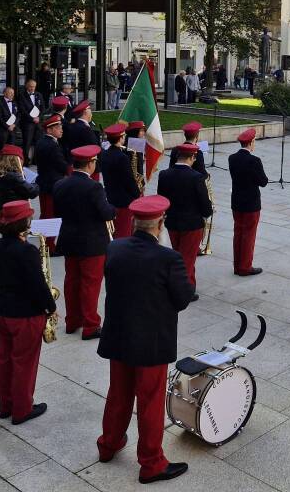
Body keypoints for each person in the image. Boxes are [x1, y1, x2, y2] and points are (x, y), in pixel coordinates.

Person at [97, 195, 193, 484]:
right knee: (149, 402)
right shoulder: (169, 258)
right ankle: (151, 464)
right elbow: (183, 297)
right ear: (160, 224)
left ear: (136, 222)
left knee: (118, 394)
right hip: (150, 342)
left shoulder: (115, 247)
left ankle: (108, 445)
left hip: (119, 337)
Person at [0, 200, 57, 424]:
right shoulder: (27, 251)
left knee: (5, 359)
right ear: (24, 224)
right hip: (25, 314)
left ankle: (6, 405)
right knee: (24, 363)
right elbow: (38, 285)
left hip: (2, 310)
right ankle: (22, 409)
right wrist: (51, 307)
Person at [54, 145, 115, 339]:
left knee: (71, 281)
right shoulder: (94, 187)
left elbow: (58, 212)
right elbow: (106, 213)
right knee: (90, 284)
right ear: (89, 164)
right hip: (92, 242)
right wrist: (112, 207)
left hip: (69, 239)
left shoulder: (61, 184)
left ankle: (72, 321)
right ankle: (90, 325)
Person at [156, 143, 212, 298]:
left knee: (178, 254)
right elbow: (204, 204)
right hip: (192, 224)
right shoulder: (196, 177)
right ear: (192, 157)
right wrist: (208, 212)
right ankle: (183, 291)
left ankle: (189, 284)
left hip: (172, 222)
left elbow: (162, 199)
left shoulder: (164, 174)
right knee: (187, 258)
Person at [228, 128, 268, 276]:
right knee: (249, 235)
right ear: (251, 142)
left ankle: (237, 265)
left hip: (237, 201)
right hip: (251, 203)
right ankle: (245, 267)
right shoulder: (254, 160)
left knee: (238, 233)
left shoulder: (232, 158)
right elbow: (263, 182)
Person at [100, 123, 141, 238]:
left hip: (111, 196)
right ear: (121, 138)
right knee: (124, 232)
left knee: (116, 231)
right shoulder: (122, 157)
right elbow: (128, 180)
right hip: (124, 200)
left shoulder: (105, 155)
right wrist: (137, 194)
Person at [0, 145, 39, 220]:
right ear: (16, 160)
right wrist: (38, 182)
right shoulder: (13, 176)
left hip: (2, 212)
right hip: (16, 215)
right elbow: (32, 192)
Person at [35, 116, 67, 222]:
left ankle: (42, 235)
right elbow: (61, 165)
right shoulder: (52, 145)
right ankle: (48, 238)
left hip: (43, 182)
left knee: (45, 213)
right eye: (58, 127)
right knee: (50, 215)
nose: (61, 130)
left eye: (61, 127)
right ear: (49, 130)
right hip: (52, 184)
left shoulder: (41, 141)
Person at [16, 79, 45, 164]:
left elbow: (43, 107)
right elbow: (22, 110)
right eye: (31, 86)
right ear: (26, 86)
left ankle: (36, 160)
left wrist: (39, 117)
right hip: (27, 123)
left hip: (38, 123)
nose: (32, 88)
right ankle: (25, 160)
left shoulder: (39, 95)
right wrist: (32, 118)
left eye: (34, 87)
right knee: (27, 142)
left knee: (38, 142)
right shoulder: (21, 95)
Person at [0, 85, 20, 151]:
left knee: (11, 148)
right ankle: (0, 161)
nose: (12, 95)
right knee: (1, 148)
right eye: (10, 93)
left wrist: (14, 124)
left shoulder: (15, 103)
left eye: (13, 93)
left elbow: (18, 115)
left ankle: (9, 161)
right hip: (2, 129)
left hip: (12, 129)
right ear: (4, 93)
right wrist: (7, 126)